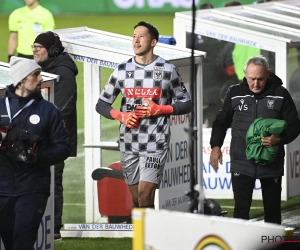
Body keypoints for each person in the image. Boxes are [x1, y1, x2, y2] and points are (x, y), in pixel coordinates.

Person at [95, 21, 192, 210]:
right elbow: (101, 104)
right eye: (134, 36)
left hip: (156, 142)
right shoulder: (122, 70)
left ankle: (146, 239)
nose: (136, 41)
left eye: (141, 36)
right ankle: (145, 233)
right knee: (136, 199)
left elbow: (186, 102)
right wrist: (120, 116)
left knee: (145, 194)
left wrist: (161, 110)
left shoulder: (167, 70)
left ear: (153, 42)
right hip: (128, 142)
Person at [209, 55, 300, 224]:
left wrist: (279, 139)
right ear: (245, 73)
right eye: (252, 79)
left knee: (272, 212)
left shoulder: (281, 94)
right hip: (241, 164)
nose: (256, 84)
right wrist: (215, 146)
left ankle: (272, 245)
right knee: (241, 211)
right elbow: (221, 122)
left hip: (271, 165)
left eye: (260, 79)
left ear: (268, 74)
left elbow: (295, 125)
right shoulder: (235, 93)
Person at [0, 57, 70, 249]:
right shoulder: (0, 106)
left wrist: (37, 157)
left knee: (23, 242)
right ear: (21, 79)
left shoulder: (48, 110)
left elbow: (63, 146)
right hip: (2, 188)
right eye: (35, 74)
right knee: (9, 243)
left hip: (32, 187)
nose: (40, 79)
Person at [32, 31, 78, 241]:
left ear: (51, 50)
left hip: (54, 140)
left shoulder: (63, 72)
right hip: (40, 138)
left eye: (38, 47)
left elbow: (64, 108)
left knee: (52, 181)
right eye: (33, 46)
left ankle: (54, 229)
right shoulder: (44, 69)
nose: (34, 51)